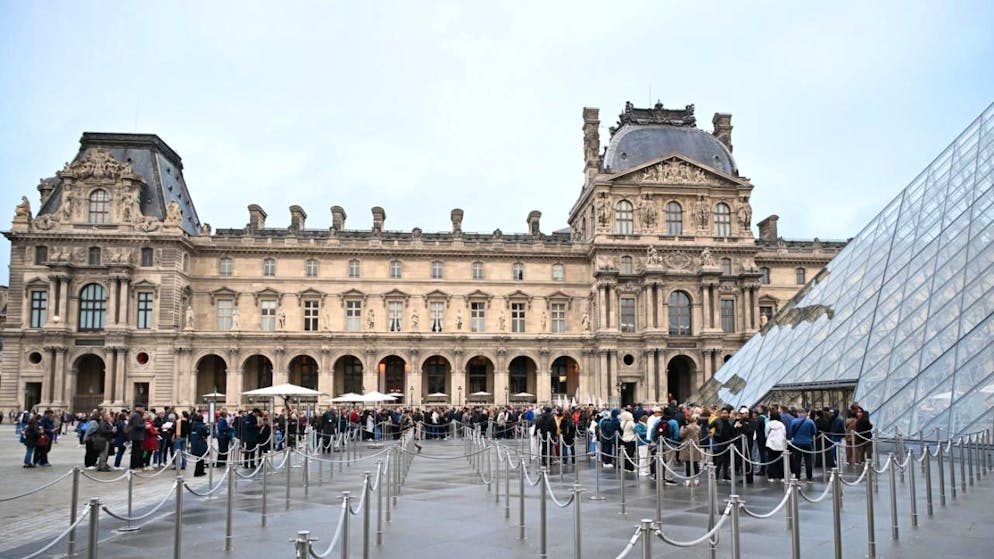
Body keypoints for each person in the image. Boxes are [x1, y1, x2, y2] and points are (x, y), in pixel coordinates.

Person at [788, 410, 817, 482]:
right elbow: (814, 431)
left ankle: (798, 477)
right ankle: (809, 477)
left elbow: (791, 431)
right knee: (808, 460)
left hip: (797, 443)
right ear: (805, 414)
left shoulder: (794, 421)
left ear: (798, 414)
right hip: (807, 442)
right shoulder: (810, 421)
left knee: (797, 460)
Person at [679, 414, 703, 485]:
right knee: (695, 463)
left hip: (687, 447)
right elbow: (700, 437)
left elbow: (681, 435)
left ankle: (688, 480)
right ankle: (696, 479)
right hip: (695, 446)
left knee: (688, 463)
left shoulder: (688, 428)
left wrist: (681, 429)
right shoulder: (698, 427)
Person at [766, 414, 786, 482]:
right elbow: (784, 434)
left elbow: (766, 433)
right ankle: (781, 476)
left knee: (771, 460)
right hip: (780, 444)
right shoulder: (782, 424)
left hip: (770, 444)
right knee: (780, 461)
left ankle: (771, 476)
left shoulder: (768, 424)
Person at [190, 413, 210, 477]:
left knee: (199, 458)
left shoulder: (193, 425)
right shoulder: (201, 426)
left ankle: (200, 471)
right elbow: (206, 432)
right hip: (200, 443)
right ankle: (198, 472)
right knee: (201, 458)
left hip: (194, 443)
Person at [618, 409, 637, 473]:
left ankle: (625, 466)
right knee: (630, 454)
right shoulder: (631, 423)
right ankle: (630, 467)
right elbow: (635, 429)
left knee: (626, 454)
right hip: (631, 439)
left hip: (624, 438)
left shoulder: (622, 422)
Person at [128, 405, 146, 470]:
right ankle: (134, 466)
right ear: (139, 408)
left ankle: (135, 465)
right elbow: (136, 425)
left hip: (137, 436)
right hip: (137, 436)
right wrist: (145, 425)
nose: (144, 410)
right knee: (136, 452)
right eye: (143, 408)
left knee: (136, 452)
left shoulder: (137, 415)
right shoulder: (136, 416)